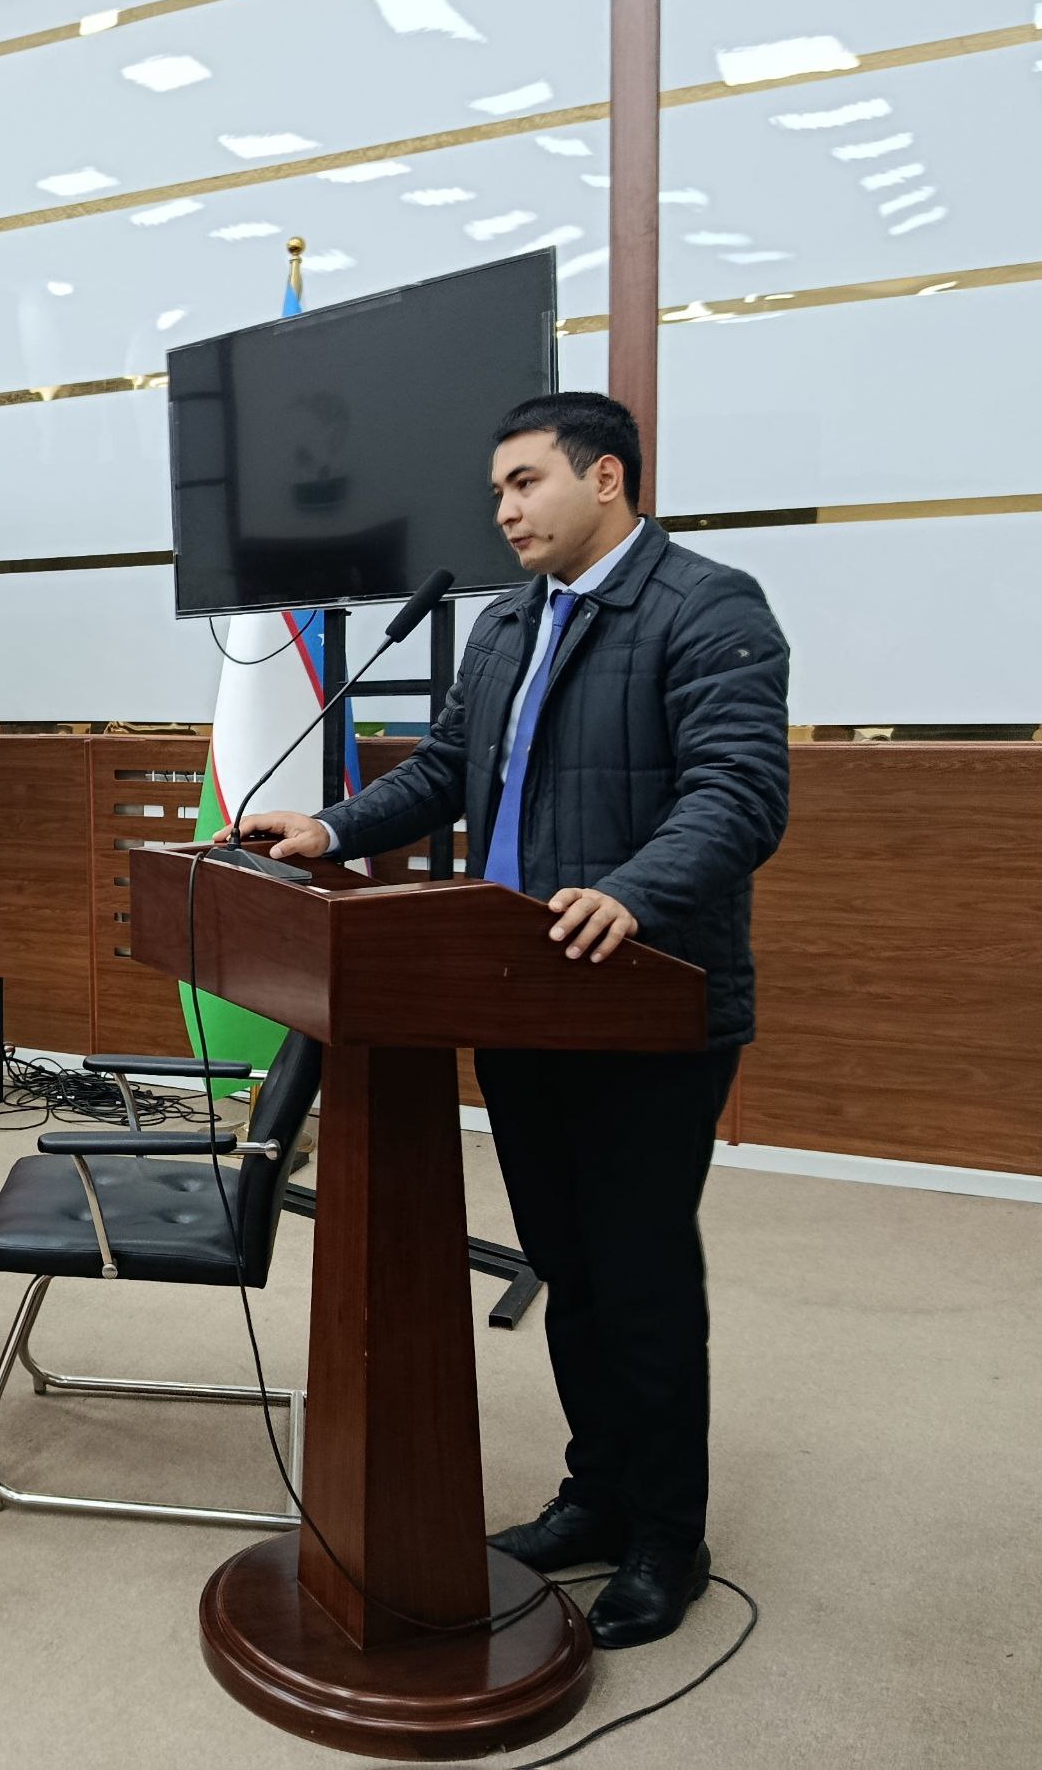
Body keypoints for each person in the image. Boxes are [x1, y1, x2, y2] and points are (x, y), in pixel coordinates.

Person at [228, 391, 791, 1650]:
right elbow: (446, 771)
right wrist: (332, 827)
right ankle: (596, 1495)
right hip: (514, 992)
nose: (504, 510)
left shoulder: (709, 607)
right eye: (497, 491)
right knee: (568, 1270)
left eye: (525, 482)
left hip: (647, 1005)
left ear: (607, 478)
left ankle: (666, 1537)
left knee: (639, 1280)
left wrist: (633, 893)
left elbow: (739, 793)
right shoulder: (507, 623)